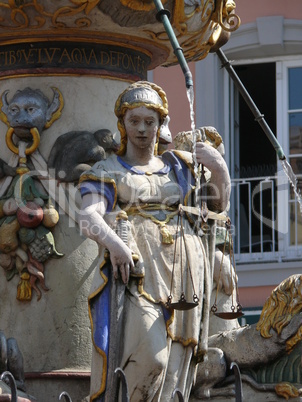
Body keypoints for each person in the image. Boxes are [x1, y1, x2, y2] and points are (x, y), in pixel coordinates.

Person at [78, 81, 231, 401]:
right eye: (134, 121)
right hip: (138, 272)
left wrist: (218, 167)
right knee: (151, 358)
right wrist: (115, 244)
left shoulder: (179, 167)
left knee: (176, 367)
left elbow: (216, 205)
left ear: (161, 124)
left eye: (150, 122)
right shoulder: (106, 170)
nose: (143, 129)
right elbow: (88, 217)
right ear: (122, 124)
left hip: (185, 277)